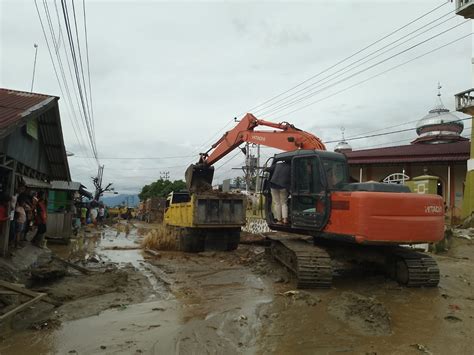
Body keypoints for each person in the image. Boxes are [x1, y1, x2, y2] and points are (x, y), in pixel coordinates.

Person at [269, 161, 291, 225]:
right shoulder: (290, 166)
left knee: (277, 203)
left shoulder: (277, 164)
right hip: (283, 186)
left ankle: (279, 220)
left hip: (273, 185)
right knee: (284, 203)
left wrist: (265, 168)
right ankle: (285, 219)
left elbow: (269, 169)